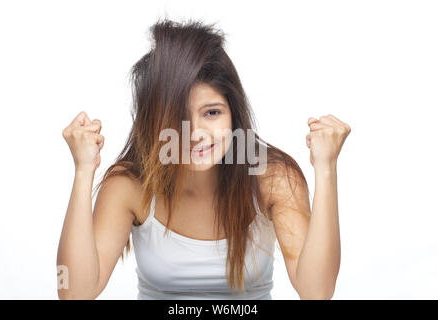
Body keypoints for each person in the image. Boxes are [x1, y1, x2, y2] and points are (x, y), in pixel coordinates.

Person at [57, 18, 351, 300]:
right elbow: (73, 292)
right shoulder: (130, 185)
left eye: (212, 113)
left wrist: (326, 168)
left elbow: (317, 292)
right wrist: (84, 171)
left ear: (233, 115)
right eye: (177, 116)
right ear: (153, 122)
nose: (195, 133)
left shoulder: (272, 178)